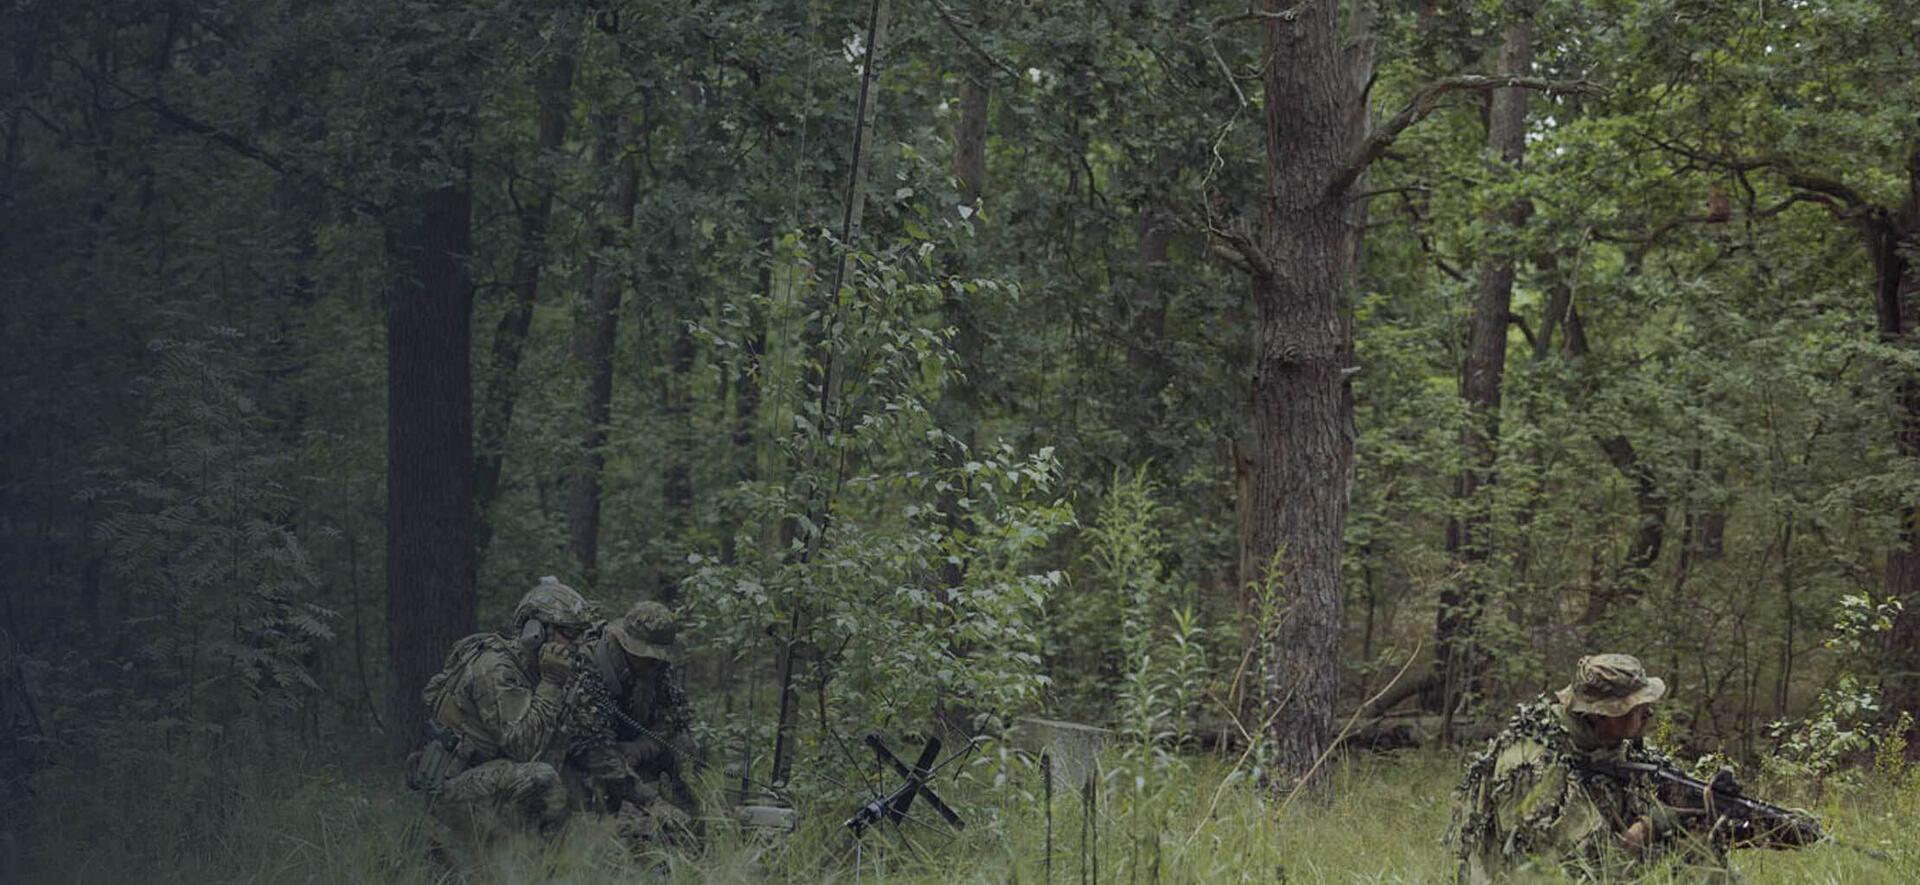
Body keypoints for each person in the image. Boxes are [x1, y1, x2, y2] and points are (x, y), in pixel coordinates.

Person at [1447, 653, 1727, 882]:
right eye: (1635, 706)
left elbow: (1660, 787)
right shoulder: (1534, 765)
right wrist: (1650, 827)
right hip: (1537, 876)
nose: (1648, 713)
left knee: (1696, 844)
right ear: (1599, 714)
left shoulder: (1606, 742)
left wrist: (1708, 798)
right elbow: (1563, 869)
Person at [408, 577, 596, 865]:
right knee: (542, 777)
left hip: (494, 781)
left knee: (579, 778)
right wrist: (552, 684)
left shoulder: (538, 669)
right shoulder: (496, 670)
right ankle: (541, 872)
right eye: (568, 633)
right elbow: (524, 748)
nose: (577, 643)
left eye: (581, 633)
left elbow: (560, 743)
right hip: (454, 792)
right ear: (535, 630)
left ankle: (537, 870)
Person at [562, 599, 703, 849]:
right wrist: (652, 802)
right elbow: (592, 751)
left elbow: (673, 719)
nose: (654, 664)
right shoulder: (588, 667)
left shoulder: (655, 669)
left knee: (686, 746)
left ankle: (689, 832)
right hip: (586, 760)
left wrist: (640, 748)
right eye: (645, 657)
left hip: (631, 755)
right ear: (625, 646)